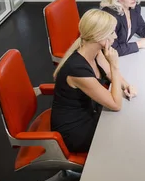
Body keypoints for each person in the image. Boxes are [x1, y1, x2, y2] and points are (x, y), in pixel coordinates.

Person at [51, 9, 136, 153]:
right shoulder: (77, 70)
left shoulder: (93, 51)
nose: (115, 36)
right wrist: (115, 65)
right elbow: (115, 104)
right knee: (126, 138)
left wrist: (126, 85)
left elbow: (108, 72)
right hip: (75, 130)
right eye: (111, 32)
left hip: (90, 111)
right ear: (99, 37)